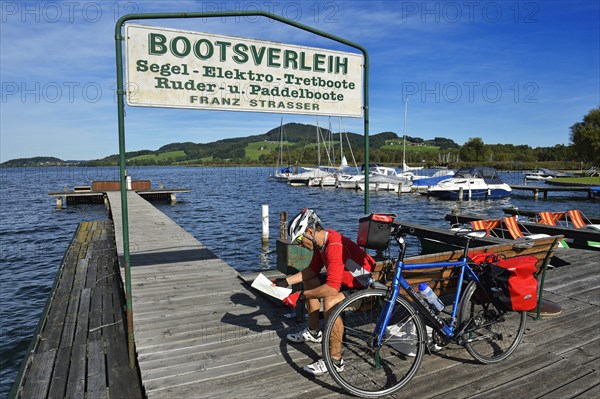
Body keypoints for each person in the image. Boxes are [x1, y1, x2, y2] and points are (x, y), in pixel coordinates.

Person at [273, 208, 375, 376]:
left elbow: (331, 288)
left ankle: (335, 361)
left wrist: (302, 296)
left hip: (363, 286)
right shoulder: (323, 243)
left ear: (310, 232)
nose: (299, 245)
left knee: (330, 302)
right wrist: (286, 282)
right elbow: (312, 270)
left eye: (299, 239)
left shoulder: (333, 245)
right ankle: (314, 332)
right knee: (309, 281)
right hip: (345, 282)